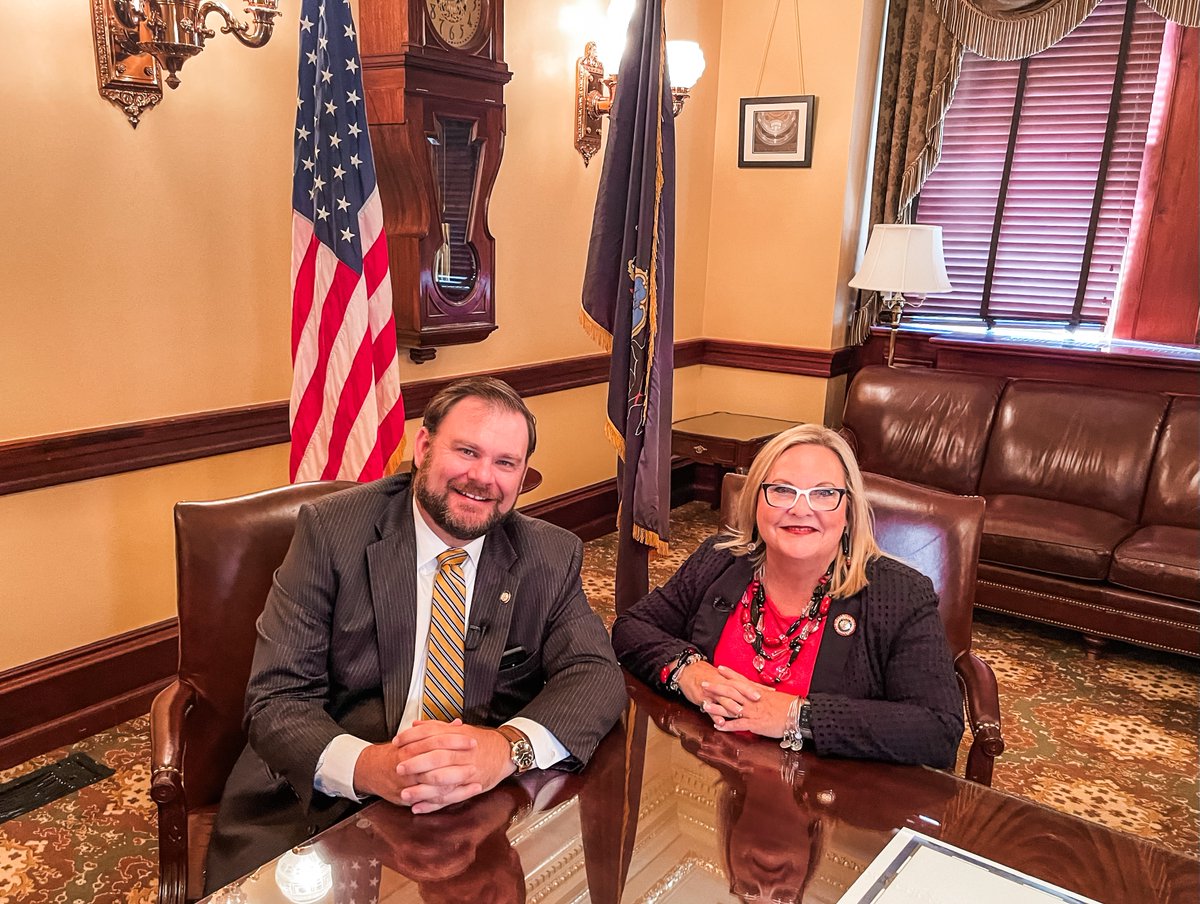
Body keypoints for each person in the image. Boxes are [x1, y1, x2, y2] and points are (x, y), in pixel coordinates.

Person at [205, 377, 626, 893]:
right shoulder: (331, 532)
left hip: (479, 804)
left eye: (505, 462)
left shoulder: (550, 553)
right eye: (466, 451)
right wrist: (372, 766)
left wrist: (506, 749)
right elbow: (277, 698)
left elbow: (595, 673)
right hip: (330, 799)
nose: (482, 477)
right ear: (424, 447)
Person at [611, 424, 963, 769]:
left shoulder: (899, 593)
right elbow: (631, 627)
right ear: (756, 500)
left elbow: (938, 730)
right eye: (782, 490)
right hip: (714, 779)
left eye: (824, 494)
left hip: (828, 793)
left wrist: (797, 715)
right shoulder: (719, 559)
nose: (800, 509)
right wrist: (689, 672)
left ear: (849, 510)